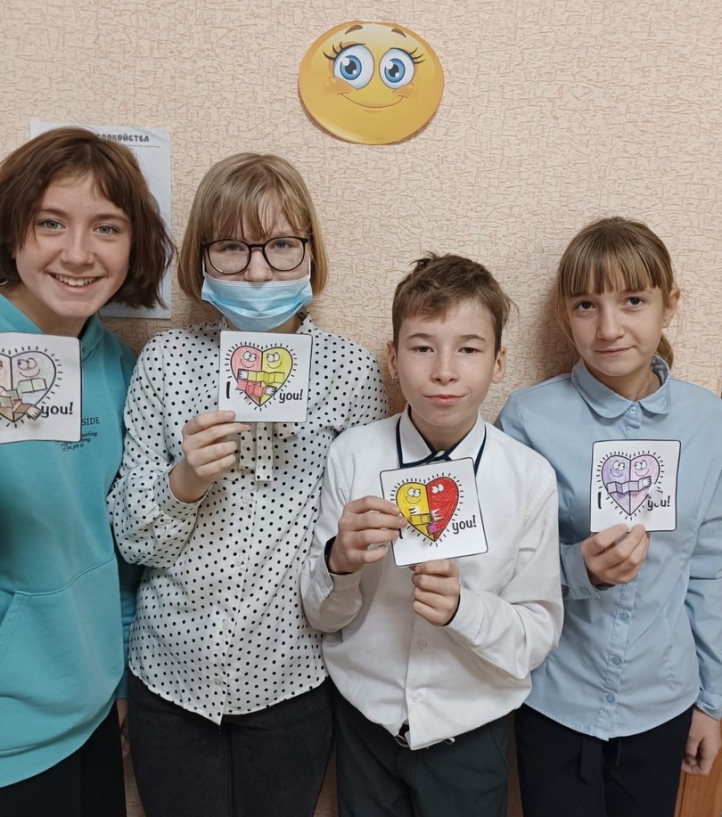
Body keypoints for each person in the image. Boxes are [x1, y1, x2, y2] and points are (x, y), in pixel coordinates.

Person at [109, 152, 387, 817]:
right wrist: (184, 480)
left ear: (310, 252)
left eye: (282, 245)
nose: (258, 271)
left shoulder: (351, 372)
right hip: (170, 675)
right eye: (232, 248)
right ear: (202, 260)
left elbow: (355, 553)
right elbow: (130, 540)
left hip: (292, 679)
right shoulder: (167, 361)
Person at [301, 253, 563, 817]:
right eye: (422, 348)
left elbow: (536, 636)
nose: (444, 370)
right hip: (364, 727)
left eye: (468, 349)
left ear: (499, 362)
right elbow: (322, 617)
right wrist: (339, 563)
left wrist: (464, 610)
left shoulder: (529, 477)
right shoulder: (352, 456)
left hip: (471, 733)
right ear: (393, 360)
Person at [497, 217, 722, 817]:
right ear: (564, 315)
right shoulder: (528, 418)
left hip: (665, 699)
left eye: (633, 301)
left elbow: (710, 571)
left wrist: (713, 702)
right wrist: (579, 569)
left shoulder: (708, 422)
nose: (609, 327)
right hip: (555, 697)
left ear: (670, 305)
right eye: (586, 305)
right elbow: (501, 565)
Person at [0, 127, 172, 816]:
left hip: (93, 711)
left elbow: (117, 544)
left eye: (106, 227)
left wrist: (121, 682)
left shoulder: (120, 368)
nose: (77, 253)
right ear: (12, 230)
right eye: (50, 223)